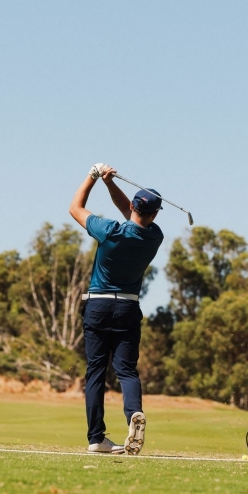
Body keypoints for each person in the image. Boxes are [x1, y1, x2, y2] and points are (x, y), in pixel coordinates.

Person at [69, 163, 163, 455]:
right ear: (155, 214)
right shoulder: (154, 236)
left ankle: (96, 438)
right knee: (126, 370)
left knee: (96, 371)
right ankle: (133, 412)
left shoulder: (109, 231)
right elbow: (132, 214)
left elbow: (75, 207)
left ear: (135, 205)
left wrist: (94, 175)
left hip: (97, 305)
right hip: (127, 308)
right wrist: (110, 184)